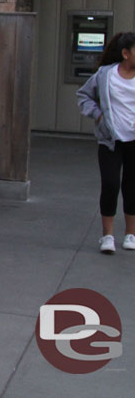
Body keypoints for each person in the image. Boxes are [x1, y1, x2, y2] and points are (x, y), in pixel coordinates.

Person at [77, 31, 135, 253]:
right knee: (110, 185)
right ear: (125, 54)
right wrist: (98, 115)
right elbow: (83, 95)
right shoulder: (105, 75)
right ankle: (107, 236)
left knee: (132, 187)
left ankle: (130, 234)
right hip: (110, 140)